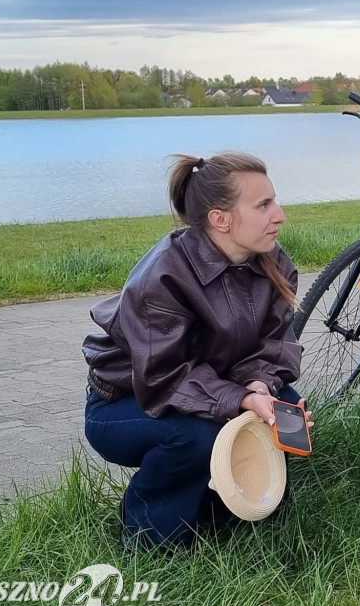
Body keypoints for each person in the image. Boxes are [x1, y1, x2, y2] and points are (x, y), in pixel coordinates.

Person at [83, 152, 307, 549]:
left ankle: (227, 513)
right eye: (263, 205)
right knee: (197, 436)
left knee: (282, 407)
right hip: (129, 403)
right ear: (221, 219)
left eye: (275, 200)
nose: (280, 214)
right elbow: (164, 377)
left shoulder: (271, 260)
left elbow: (274, 344)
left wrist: (258, 386)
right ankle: (149, 537)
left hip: (203, 384)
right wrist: (239, 399)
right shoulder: (164, 277)